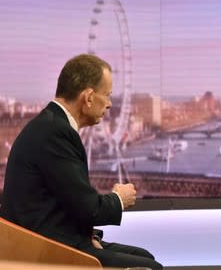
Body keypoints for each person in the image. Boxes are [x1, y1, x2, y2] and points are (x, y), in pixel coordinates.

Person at [0, 54, 163, 269]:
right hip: (46, 248)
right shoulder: (55, 132)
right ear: (88, 97)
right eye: (107, 95)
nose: (109, 104)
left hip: (54, 238)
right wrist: (119, 199)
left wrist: (89, 235)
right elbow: (89, 209)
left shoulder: (49, 125)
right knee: (150, 267)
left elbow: (65, 202)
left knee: (146, 257)